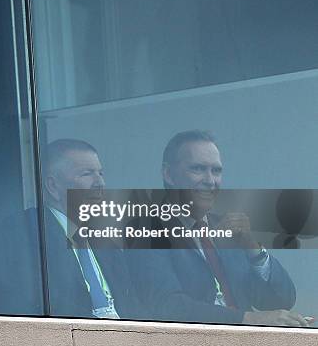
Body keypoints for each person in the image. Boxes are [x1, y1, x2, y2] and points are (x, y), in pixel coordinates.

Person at [130, 130, 309, 326]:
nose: (210, 180)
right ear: (169, 174)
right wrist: (248, 319)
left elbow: (281, 299)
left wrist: (252, 247)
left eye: (216, 171)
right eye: (198, 169)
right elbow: (168, 307)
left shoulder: (227, 229)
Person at [0, 139, 145, 319]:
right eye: (87, 174)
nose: (100, 183)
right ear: (53, 186)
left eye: (101, 173)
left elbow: (134, 307)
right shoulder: (24, 231)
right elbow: (19, 309)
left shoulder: (104, 238)